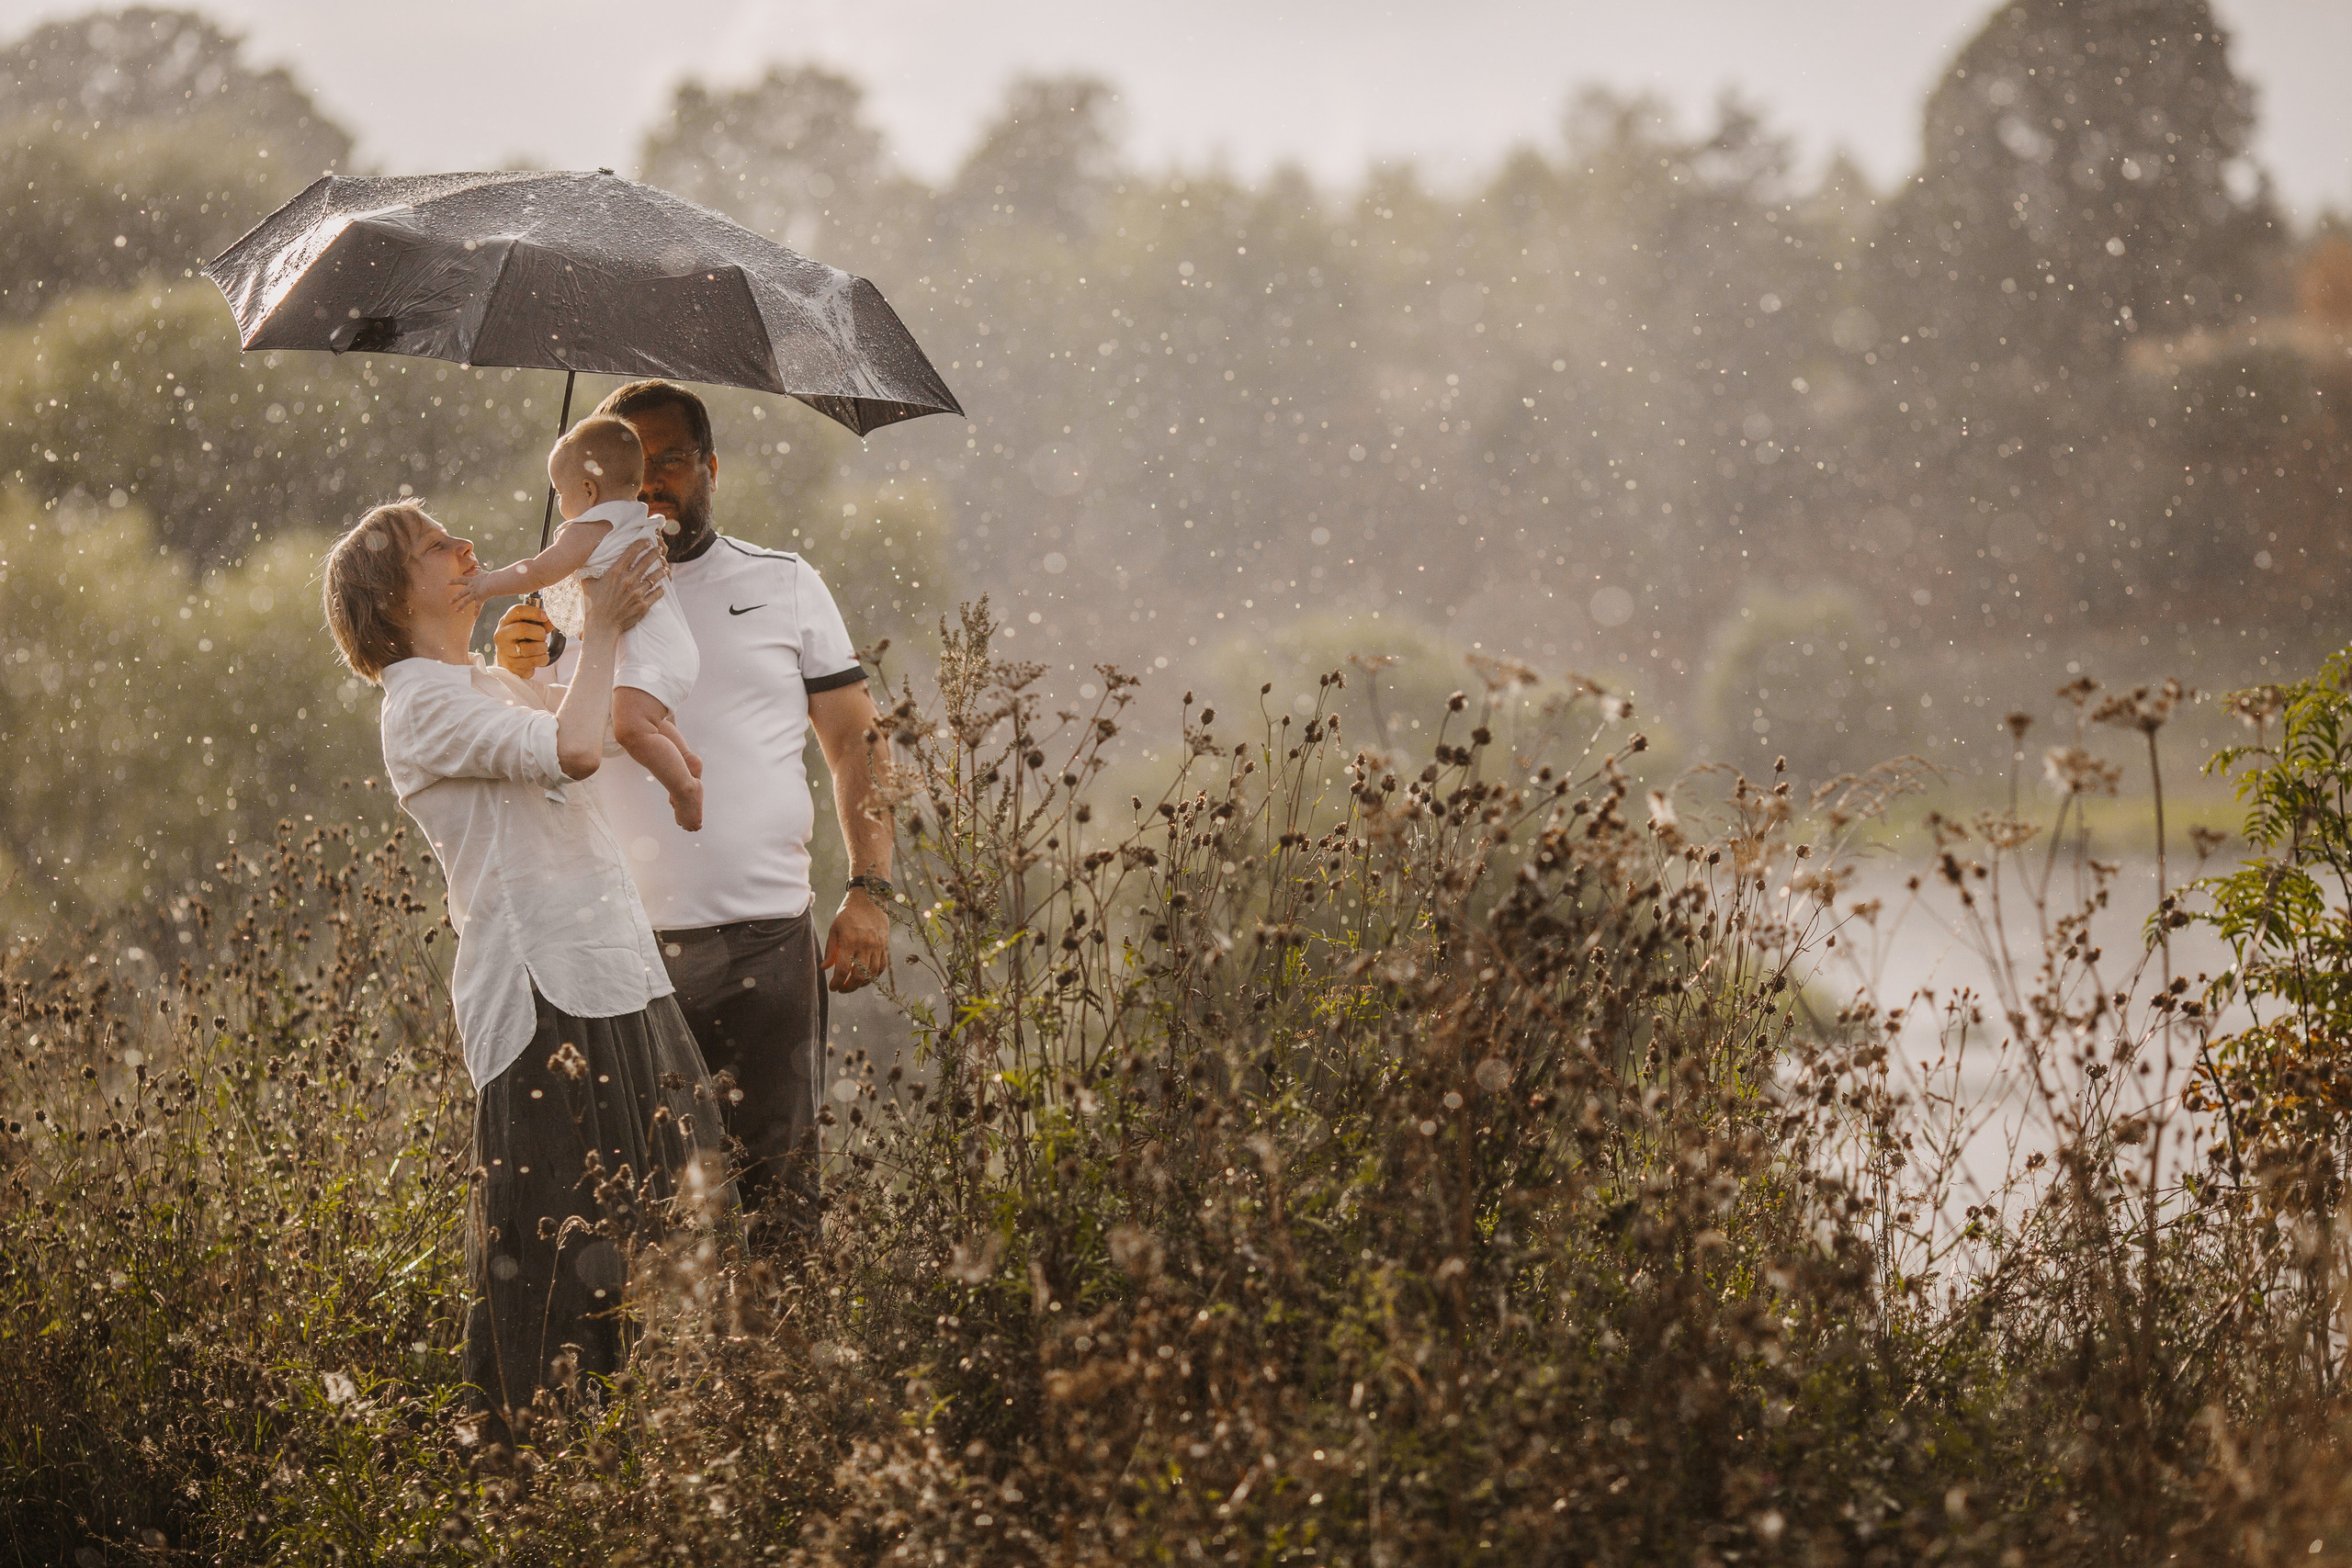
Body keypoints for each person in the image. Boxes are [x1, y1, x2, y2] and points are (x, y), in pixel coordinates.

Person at [321, 499, 720, 1429]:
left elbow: (596, 729)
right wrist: (605, 628)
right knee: (557, 1272)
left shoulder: (477, 686)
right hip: (544, 999)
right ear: (392, 597)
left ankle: (649, 1465)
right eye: (435, 547)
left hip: (613, 974)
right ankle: (532, 1481)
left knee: (656, 1235)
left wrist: (545, 662)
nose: (467, 547)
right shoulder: (419, 706)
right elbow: (576, 750)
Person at [492, 378, 890, 1253]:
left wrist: (870, 888)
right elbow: (533, 758)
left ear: (710, 468)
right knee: (624, 1208)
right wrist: (516, 669)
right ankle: (651, 1389)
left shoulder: (784, 583)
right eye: (628, 462)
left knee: (779, 1197)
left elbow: (857, 741)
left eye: (668, 459)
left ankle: (780, 1380)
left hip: (765, 945)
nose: (649, 481)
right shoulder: (562, 608)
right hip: (615, 950)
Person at [465, 415, 706, 830]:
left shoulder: (593, 526)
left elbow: (539, 570)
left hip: (651, 652)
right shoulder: (636, 519)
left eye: (560, 493)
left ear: (588, 490)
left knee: (630, 727)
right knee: (649, 717)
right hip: (672, 649)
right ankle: (684, 757)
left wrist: (485, 585)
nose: (560, 505)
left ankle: (684, 787)